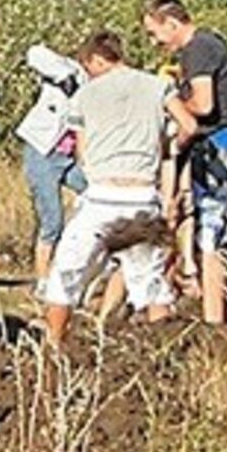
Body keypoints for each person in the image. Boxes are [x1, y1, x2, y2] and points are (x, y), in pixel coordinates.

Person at [39, 32, 198, 342]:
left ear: (98, 60)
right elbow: (189, 126)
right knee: (151, 284)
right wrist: (163, 147)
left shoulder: (85, 95)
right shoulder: (157, 86)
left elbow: (81, 152)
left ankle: (53, 350)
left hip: (102, 196)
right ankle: (163, 356)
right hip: (142, 195)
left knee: (65, 275)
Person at [142, 0, 227, 324]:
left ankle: (215, 322)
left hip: (220, 145)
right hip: (216, 145)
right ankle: (222, 310)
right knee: (210, 230)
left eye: (154, 32)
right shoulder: (205, 46)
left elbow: (203, 105)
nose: (154, 42)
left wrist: (171, 101)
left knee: (210, 237)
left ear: (172, 24)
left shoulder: (198, 49)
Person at [16, 44, 89, 282]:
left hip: (68, 157)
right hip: (43, 153)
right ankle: (43, 279)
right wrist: (64, 76)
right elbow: (33, 52)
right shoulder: (69, 69)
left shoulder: (95, 83)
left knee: (96, 194)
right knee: (52, 220)